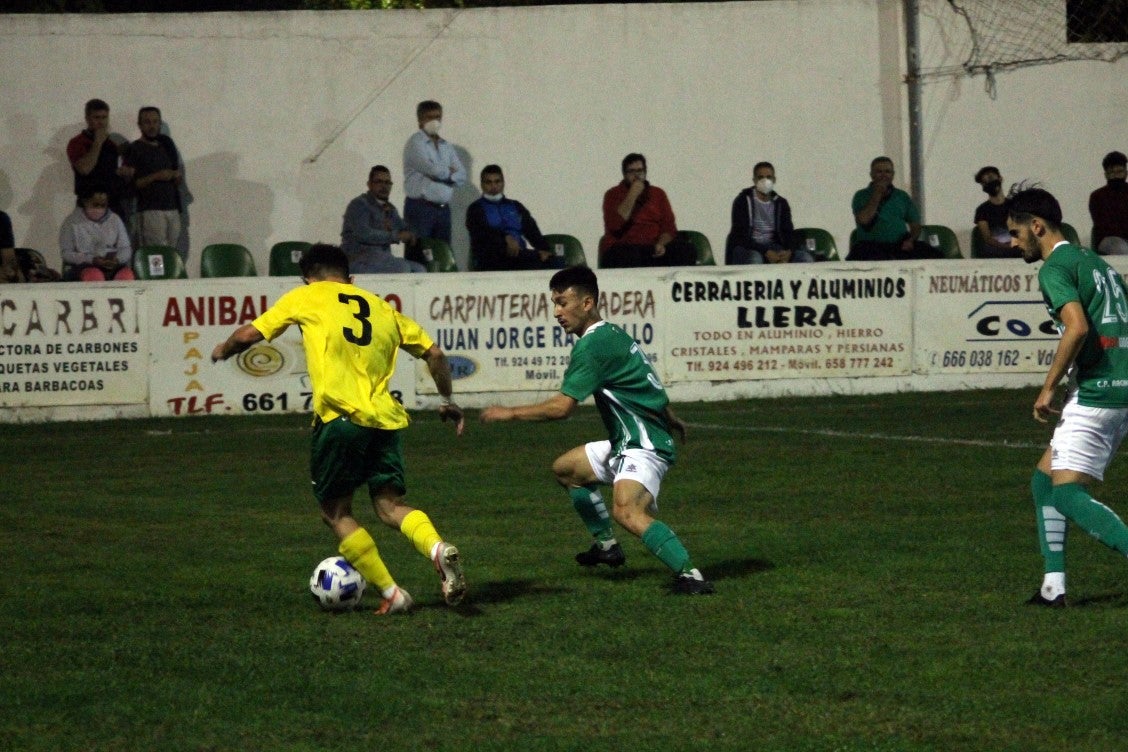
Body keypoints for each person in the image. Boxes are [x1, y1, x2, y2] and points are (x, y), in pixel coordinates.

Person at [211, 243, 467, 614]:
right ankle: (437, 549)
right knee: (389, 506)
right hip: (384, 420)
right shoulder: (380, 306)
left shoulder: (307, 296)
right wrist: (447, 400)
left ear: (308, 277)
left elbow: (250, 334)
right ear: (351, 279)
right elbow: (436, 354)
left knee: (336, 512)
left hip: (339, 420)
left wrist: (224, 348)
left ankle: (393, 593)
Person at [480, 265, 714, 595]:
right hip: (630, 439)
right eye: (554, 304)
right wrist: (670, 416)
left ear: (587, 303)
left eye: (563, 302)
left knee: (627, 510)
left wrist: (510, 413)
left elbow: (561, 408)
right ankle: (607, 547)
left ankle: (691, 575)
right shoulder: (613, 334)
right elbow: (646, 381)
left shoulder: (592, 347)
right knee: (567, 469)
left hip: (644, 443)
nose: (557, 312)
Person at [1008, 185, 1128, 608]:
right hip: (1118, 384)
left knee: (1065, 494)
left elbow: (1076, 326)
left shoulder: (1053, 268)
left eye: (1016, 232)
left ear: (1036, 227)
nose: (1013, 241)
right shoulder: (1096, 263)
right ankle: (1053, 586)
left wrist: (1047, 387)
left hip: (1098, 392)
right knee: (1044, 482)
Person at [598, 153, 696, 268]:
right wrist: (632, 194)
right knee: (626, 256)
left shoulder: (658, 194)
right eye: (632, 171)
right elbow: (615, 225)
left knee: (686, 250)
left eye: (640, 171)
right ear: (624, 174)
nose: (636, 175)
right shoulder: (612, 194)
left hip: (653, 247)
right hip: (625, 247)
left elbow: (668, 227)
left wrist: (661, 244)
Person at [466, 164, 565, 271]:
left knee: (555, 263)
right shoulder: (475, 208)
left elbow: (531, 230)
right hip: (491, 258)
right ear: (482, 184)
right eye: (488, 182)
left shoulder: (515, 206)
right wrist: (506, 237)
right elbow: (482, 233)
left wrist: (544, 250)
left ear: (503, 183)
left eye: (497, 181)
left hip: (519, 255)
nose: (493, 186)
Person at [402, 100, 466, 258]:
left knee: (442, 255)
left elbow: (462, 176)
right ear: (420, 120)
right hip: (420, 208)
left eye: (438, 117)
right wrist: (450, 173)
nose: (435, 121)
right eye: (429, 117)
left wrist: (446, 173)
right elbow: (432, 170)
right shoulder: (415, 143)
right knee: (420, 255)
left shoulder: (446, 146)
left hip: (443, 210)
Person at [848, 156, 939, 261]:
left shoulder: (902, 196)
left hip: (899, 245)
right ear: (871, 175)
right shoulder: (861, 195)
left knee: (935, 255)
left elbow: (916, 225)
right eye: (879, 172)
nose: (883, 175)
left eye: (887, 172)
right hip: (871, 246)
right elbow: (864, 220)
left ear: (893, 175)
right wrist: (877, 195)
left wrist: (911, 240)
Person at [340, 165, 425, 274]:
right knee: (402, 268)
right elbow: (364, 234)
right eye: (379, 182)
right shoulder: (359, 205)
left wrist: (411, 233)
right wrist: (396, 235)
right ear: (369, 184)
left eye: (387, 183)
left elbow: (404, 227)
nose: (384, 186)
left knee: (419, 270)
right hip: (358, 259)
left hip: (382, 259)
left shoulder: (390, 209)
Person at [726, 161, 814, 265]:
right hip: (747, 247)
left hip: (774, 247)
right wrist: (765, 252)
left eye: (768, 177)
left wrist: (789, 251)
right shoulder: (742, 201)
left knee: (805, 258)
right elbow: (740, 236)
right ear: (754, 180)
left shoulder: (781, 203)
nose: (765, 180)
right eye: (760, 177)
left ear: (774, 180)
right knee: (755, 258)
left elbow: (788, 232)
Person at [126, 106, 184, 252]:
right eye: (147, 122)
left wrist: (176, 176)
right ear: (140, 125)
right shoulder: (135, 148)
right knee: (156, 254)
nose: (152, 126)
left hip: (172, 207)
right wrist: (157, 176)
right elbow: (132, 185)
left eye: (155, 121)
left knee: (171, 253)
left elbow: (176, 175)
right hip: (150, 209)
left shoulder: (167, 144)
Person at [66, 98, 133, 221]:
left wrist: (124, 173)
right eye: (96, 117)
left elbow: (112, 171)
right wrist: (97, 143)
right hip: (90, 204)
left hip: (113, 204)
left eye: (104, 117)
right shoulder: (77, 142)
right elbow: (84, 169)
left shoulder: (112, 144)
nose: (101, 122)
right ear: (87, 119)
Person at [59, 188, 135, 281]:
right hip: (83, 266)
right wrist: (91, 259)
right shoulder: (71, 222)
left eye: (103, 205)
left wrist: (117, 259)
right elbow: (66, 253)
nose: (99, 208)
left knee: (126, 275)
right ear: (85, 202)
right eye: (95, 204)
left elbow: (125, 248)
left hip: (111, 265)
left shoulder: (115, 219)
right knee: (94, 276)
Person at [972, 165, 1019, 259]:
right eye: (984, 182)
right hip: (997, 249)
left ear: (1000, 178)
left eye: (990, 177)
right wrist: (1007, 247)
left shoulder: (1016, 205)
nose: (988, 182)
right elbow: (987, 238)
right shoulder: (982, 210)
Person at [1088, 150, 1128, 256]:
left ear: (1126, 173)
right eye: (1112, 173)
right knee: (1121, 247)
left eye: (1119, 172)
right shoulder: (1097, 197)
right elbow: (1104, 227)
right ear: (1106, 175)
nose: (1116, 176)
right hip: (1109, 240)